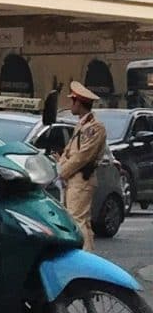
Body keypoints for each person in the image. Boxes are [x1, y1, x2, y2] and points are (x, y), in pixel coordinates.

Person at [56, 79, 108, 250]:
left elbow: (82, 156)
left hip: (82, 179)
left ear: (79, 102)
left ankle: (83, 259)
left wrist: (62, 172)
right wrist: (60, 162)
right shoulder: (83, 125)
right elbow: (71, 151)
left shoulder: (94, 127)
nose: (71, 105)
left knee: (77, 220)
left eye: (72, 101)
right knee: (81, 221)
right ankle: (89, 258)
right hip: (76, 179)